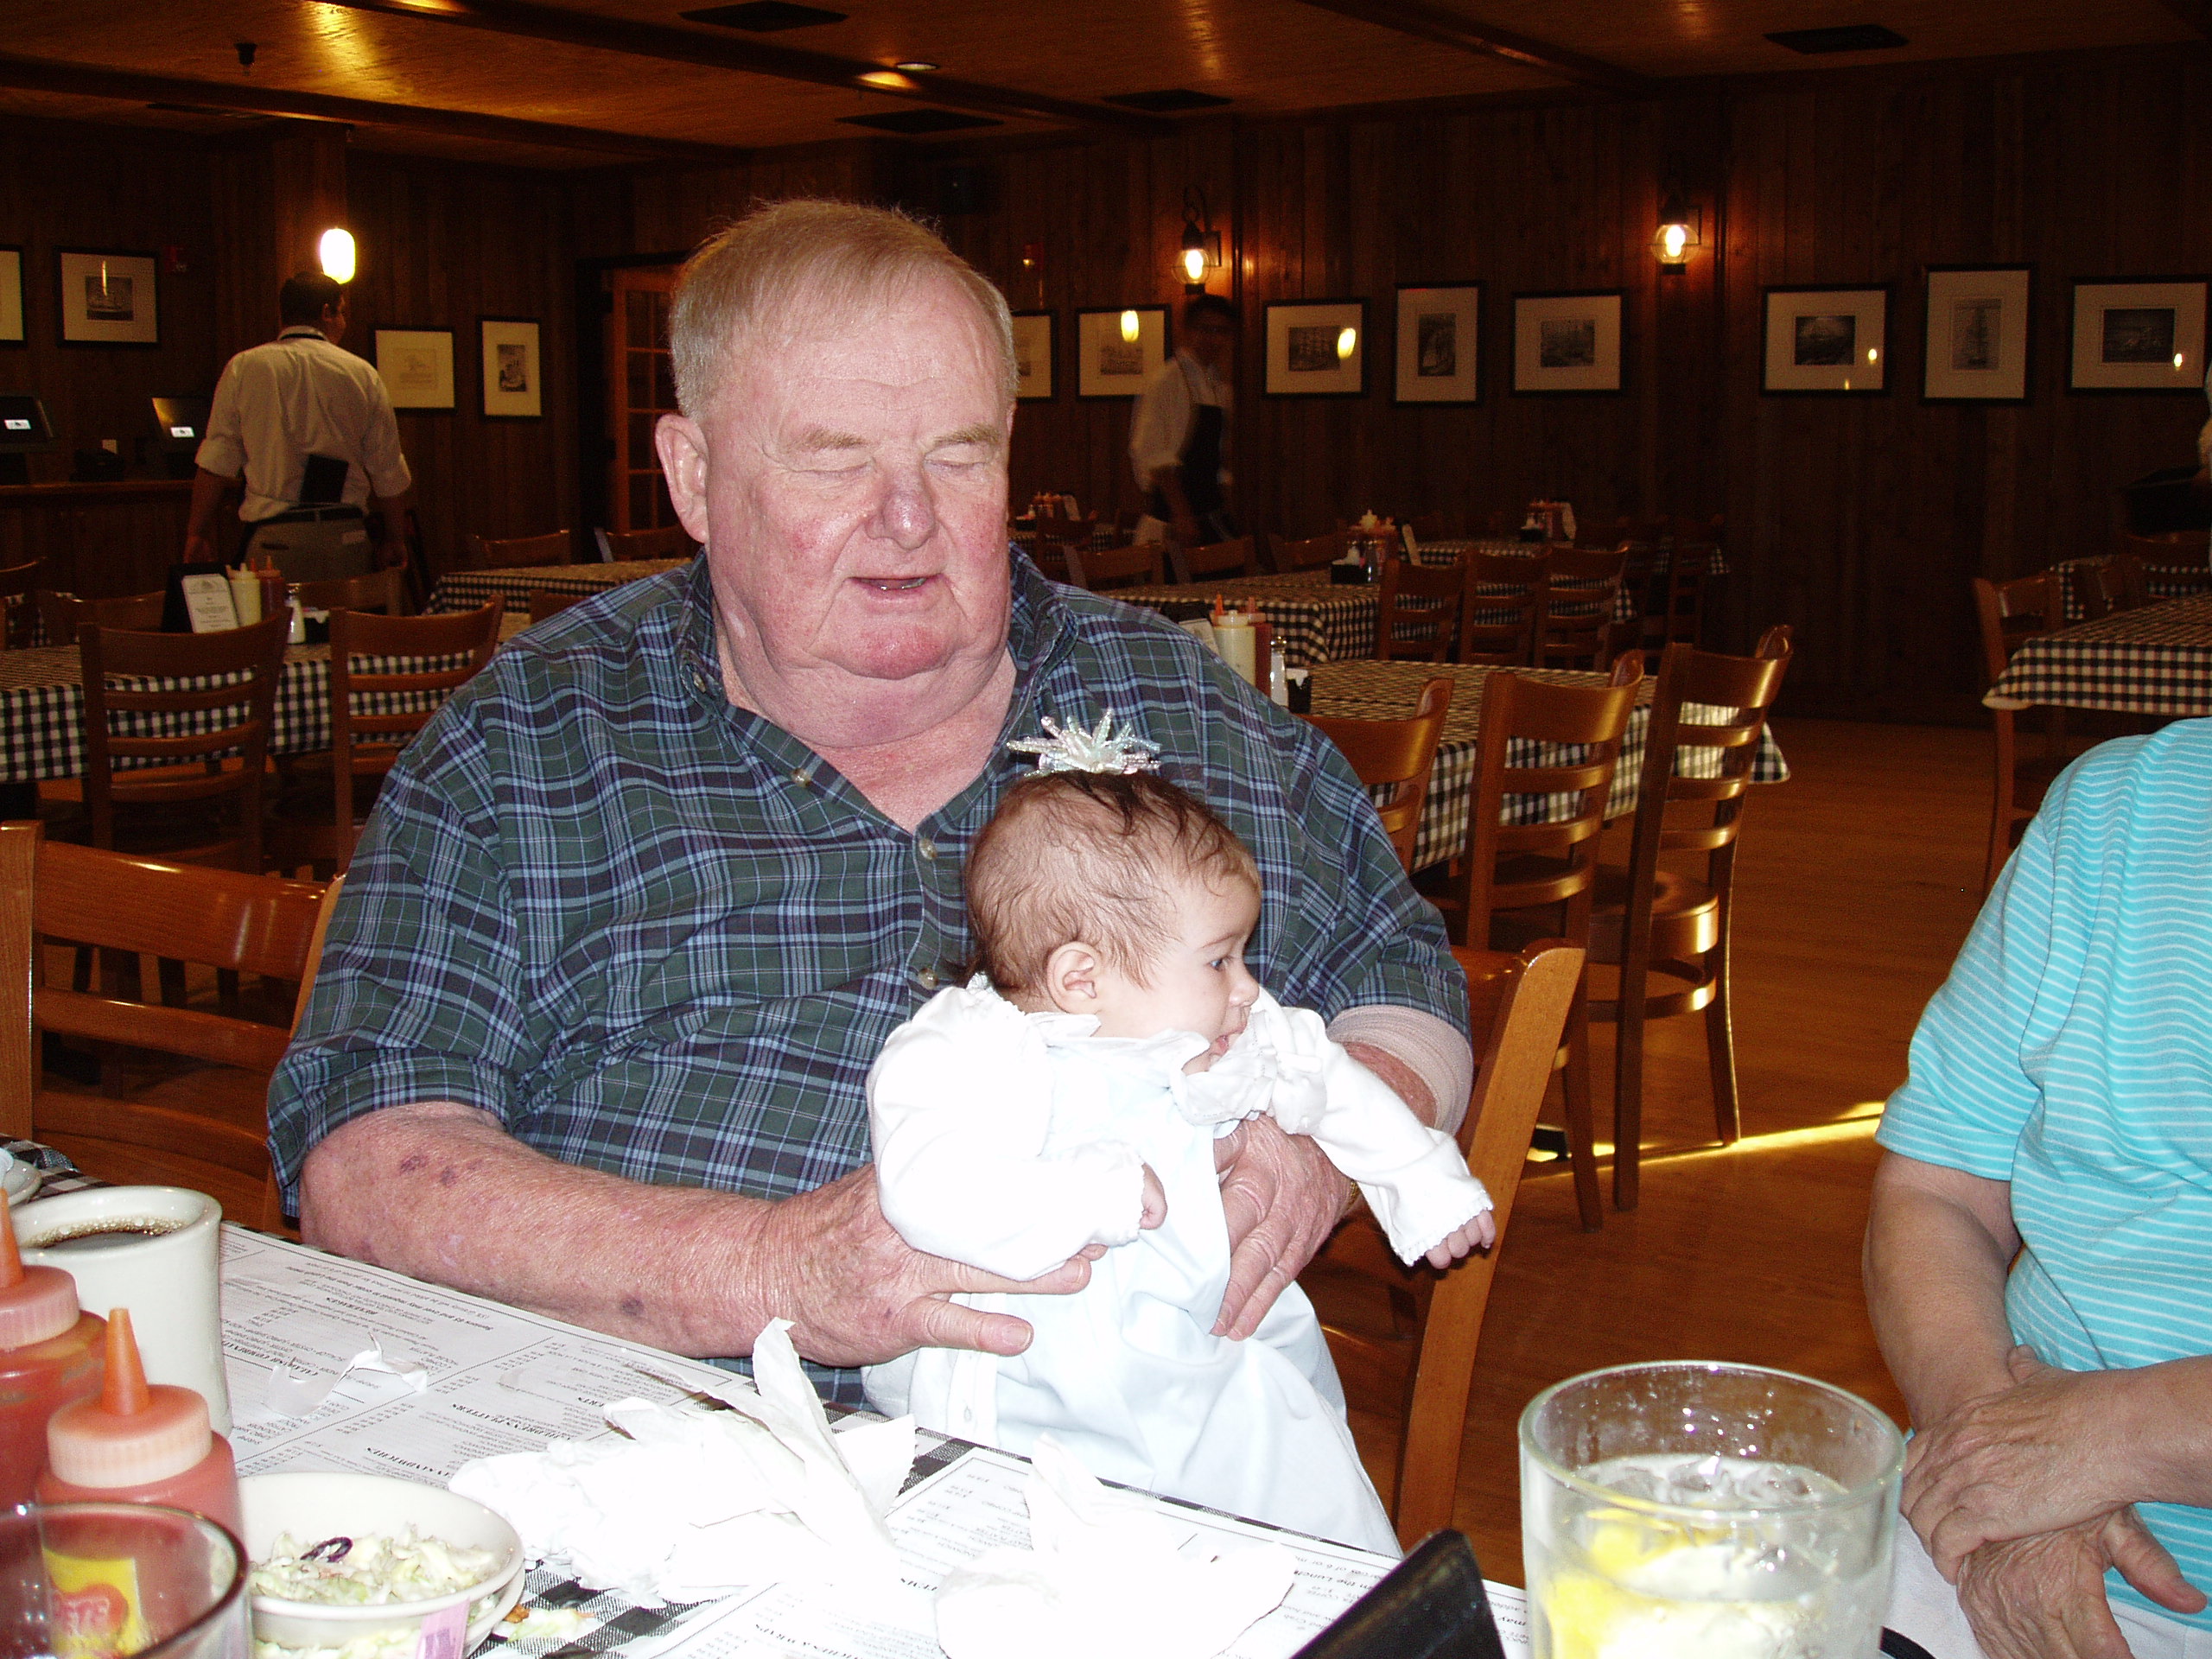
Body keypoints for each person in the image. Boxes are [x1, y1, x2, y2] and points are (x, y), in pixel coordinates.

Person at [268, 200, 1473, 1411]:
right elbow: (365, 1163)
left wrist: (1319, 1148)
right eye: (834, 456)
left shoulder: (1183, 707)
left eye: (957, 454)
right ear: (694, 476)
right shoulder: (526, 742)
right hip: (644, 1447)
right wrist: (770, 1269)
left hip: (1126, 1474)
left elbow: (1399, 967)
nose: (908, 517)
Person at [864, 769, 1491, 1552]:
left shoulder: (1218, 1043)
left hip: (1199, 1360)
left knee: (1292, 1484)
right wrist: (1090, 1193)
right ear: (1081, 977)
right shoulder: (961, 1047)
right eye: (1220, 961)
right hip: (1024, 1383)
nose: (1248, 988)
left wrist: (1424, 1183)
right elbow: (922, 1186)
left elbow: (1328, 1077)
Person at [1866, 721, 2212, 1659]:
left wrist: (2110, 1436)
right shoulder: (2119, 804)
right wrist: (1991, 1471)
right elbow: (1937, 1188)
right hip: (1994, 1531)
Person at [187, 270, 415, 582]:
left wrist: (197, 533)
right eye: (342, 312)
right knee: (348, 615)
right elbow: (387, 470)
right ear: (326, 313)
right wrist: (395, 538)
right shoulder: (362, 374)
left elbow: (216, 463)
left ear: (283, 314)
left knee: (273, 616)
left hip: (274, 542)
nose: (344, 322)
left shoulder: (245, 368)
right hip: (345, 539)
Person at [1129, 293, 1238, 551]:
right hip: (1173, 520)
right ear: (1188, 331)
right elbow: (1152, 454)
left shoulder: (1219, 386)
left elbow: (1217, 458)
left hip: (1211, 513)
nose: (1213, 339)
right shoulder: (1166, 381)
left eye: (1221, 331)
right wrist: (1182, 515)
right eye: (1206, 329)